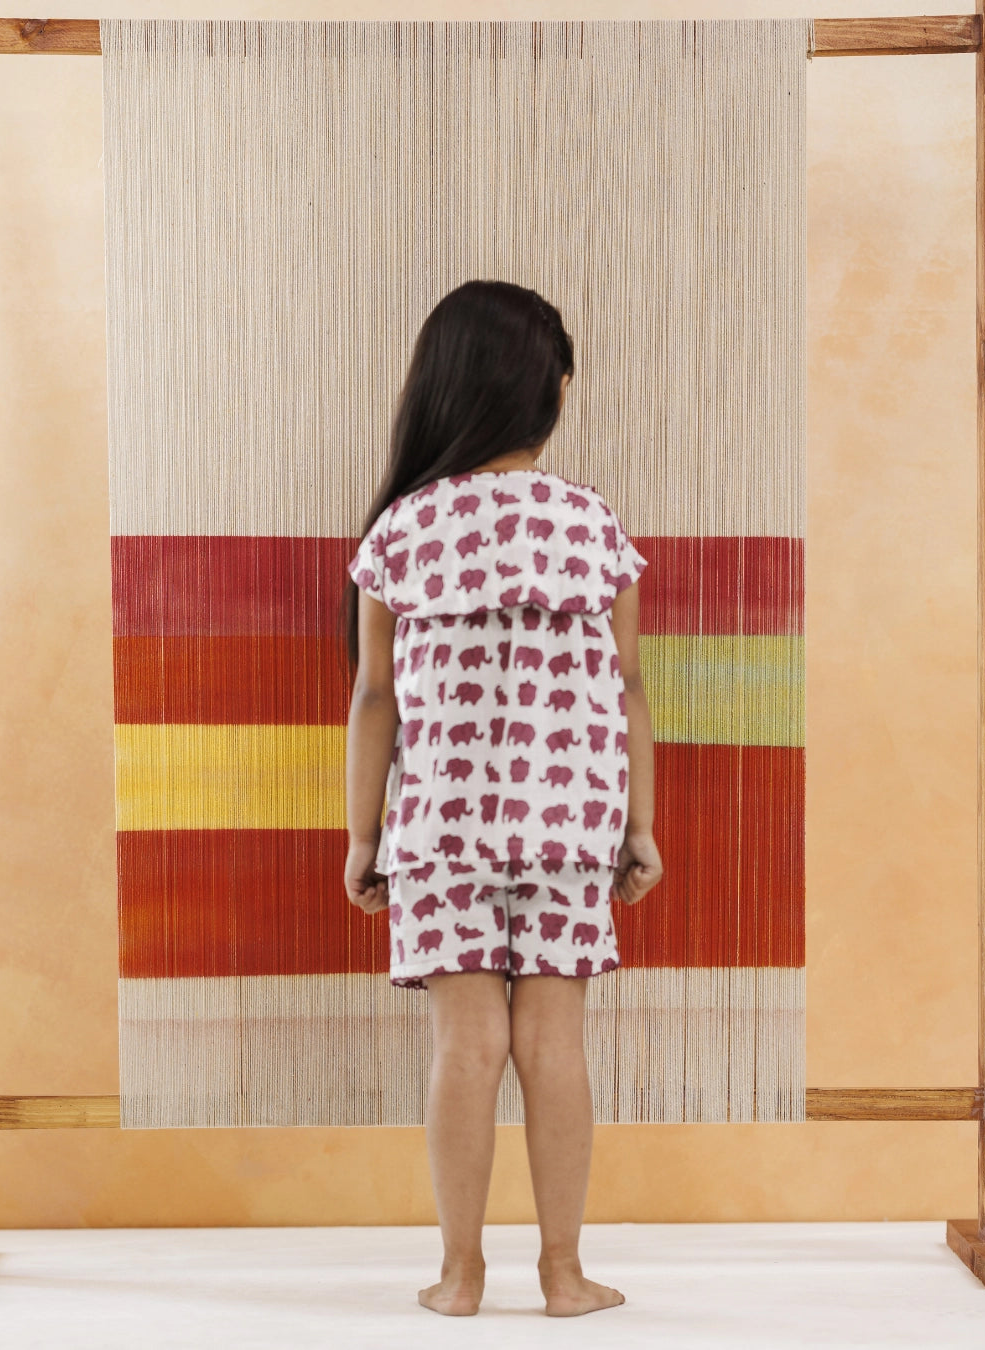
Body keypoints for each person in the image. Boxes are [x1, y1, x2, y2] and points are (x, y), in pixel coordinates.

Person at [339, 279, 664, 1318]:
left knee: (466, 1045)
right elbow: (628, 686)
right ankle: (564, 1274)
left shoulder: (402, 531)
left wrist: (363, 837)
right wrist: (640, 825)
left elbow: (375, 697)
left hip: (441, 828)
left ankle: (460, 1274)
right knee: (555, 1044)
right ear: (550, 392)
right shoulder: (591, 525)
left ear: (442, 388)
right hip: (571, 823)